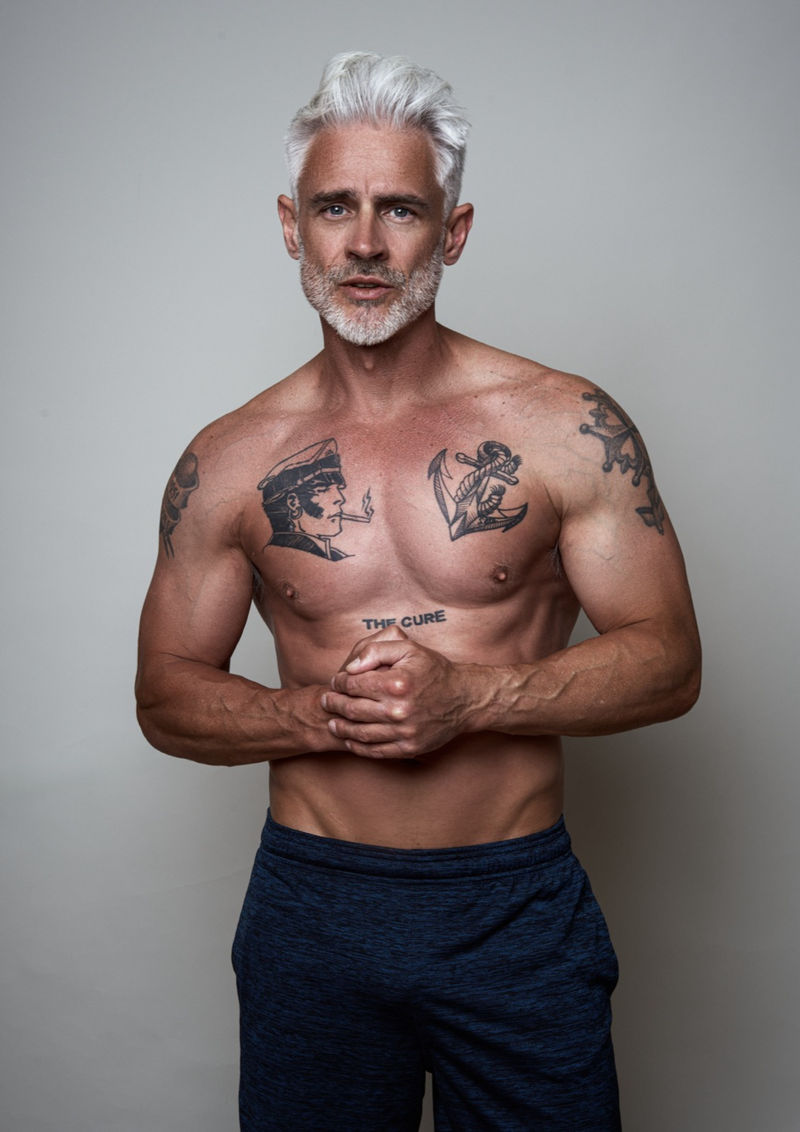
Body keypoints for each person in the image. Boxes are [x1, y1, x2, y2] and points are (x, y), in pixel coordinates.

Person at [136, 51, 701, 1132]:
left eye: (399, 208)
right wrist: (319, 715)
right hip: (312, 907)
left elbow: (670, 659)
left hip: (512, 907)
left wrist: (472, 698)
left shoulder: (565, 426)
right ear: (292, 226)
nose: (363, 242)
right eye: (333, 207)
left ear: (452, 231)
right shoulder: (229, 459)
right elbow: (164, 693)